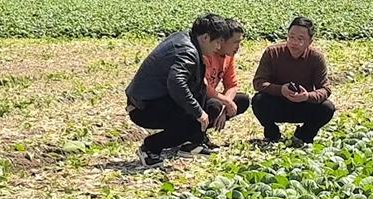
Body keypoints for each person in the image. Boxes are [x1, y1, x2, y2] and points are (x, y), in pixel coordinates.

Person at [126, 14, 231, 167]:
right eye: (217, 42)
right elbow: (176, 83)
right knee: (191, 123)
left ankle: (193, 143)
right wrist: (198, 112)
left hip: (154, 100)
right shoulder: (187, 51)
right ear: (206, 37)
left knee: (207, 109)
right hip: (144, 107)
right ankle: (150, 148)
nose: (219, 48)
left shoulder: (185, 38)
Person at [251, 16, 335, 147]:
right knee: (258, 100)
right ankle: (272, 134)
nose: (294, 42)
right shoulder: (272, 53)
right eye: (291, 37)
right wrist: (280, 90)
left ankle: (303, 136)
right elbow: (259, 82)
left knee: (327, 108)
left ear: (310, 42)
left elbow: (325, 89)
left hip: (304, 104)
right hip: (278, 102)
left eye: (300, 39)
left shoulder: (316, 58)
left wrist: (307, 96)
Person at [201, 18, 250, 139]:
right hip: (199, 99)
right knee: (214, 105)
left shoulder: (229, 56)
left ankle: (202, 130)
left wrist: (225, 107)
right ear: (222, 41)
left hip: (214, 100)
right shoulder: (207, 54)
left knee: (242, 100)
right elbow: (203, 87)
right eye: (235, 42)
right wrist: (226, 102)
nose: (238, 47)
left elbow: (232, 85)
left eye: (240, 42)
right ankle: (194, 135)